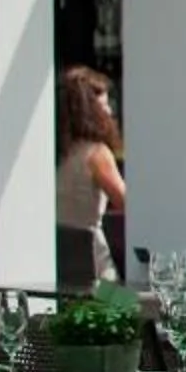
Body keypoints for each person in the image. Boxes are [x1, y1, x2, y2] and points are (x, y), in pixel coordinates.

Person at [57, 65, 126, 279]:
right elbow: (126, 202)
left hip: (61, 266)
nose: (109, 112)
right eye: (104, 105)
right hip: (96, 269)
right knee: (131, 307)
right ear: (90, 111)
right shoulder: (96, 154)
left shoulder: (55, 153)